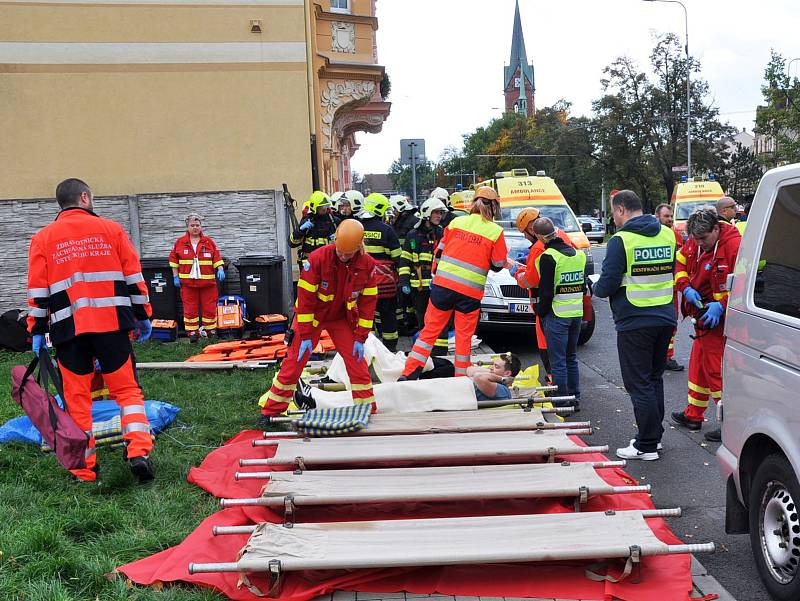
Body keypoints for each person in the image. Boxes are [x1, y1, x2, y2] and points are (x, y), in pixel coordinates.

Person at [26, 178, 155, 483]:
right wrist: (143, 314)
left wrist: (36, 331)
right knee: (126, 391)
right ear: (84, 197)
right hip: (113, 325)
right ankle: (138, 451)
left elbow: (37, 292)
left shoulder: (43, 239)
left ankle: (84, 468)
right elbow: (134, 276)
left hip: (68, 330)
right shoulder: (112, 230)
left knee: (77, 398)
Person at [258, 219, 378, 420]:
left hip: (341, 318)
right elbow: (305, 302)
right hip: (312, 318)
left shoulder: (367, 266)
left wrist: (360, 338)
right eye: (340, 250)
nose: (342, 256)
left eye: (348, 254)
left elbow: (368, 306)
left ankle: (367, 411)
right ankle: (271, 411)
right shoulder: (317, 259)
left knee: (357, 364)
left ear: (359, 248)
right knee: (294, 363)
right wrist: (305, 335)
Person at [594, 190, 677, 461]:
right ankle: (655, 437)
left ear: (621, 210)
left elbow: (606, 286)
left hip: (635, 322)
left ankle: (646, 444)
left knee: (639, 384)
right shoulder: (667, 233)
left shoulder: (621, 240)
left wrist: (594, 284)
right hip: (664, 316)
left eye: (612, 212)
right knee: (654, 379)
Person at [401, 186, 508, 380]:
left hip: (442, 288)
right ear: (494, 207)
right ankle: (460, 382)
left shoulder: (456, 222)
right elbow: (498, 264)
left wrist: (436, 275)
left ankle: (408, 374)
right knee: (463, 339)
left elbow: (439, 252)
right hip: (469, 294)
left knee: (428, 334)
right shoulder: (495, 231)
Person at [670, 208, 741, 442]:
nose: (700, 243)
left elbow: (744, 283)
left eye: (704, 238)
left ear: (716, 229)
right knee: (698, 367)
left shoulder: (733, 246)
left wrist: (721, 304)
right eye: (696, 239)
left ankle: (729, 422)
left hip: (720, 318)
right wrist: (685, 287)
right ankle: (694, 414)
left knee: (714, 369)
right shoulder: (695, 242)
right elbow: (679, 266)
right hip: (702, 313)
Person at [293, 352, 524, 410]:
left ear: (508, 374)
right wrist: (486, 374)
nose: (491, 367)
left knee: (384, 395)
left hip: (444, 395)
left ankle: (317, 401)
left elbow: (479, 376)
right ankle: (319, 396)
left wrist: (492, 377)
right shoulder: (498, 382)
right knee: (382, 390)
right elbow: (472, 370)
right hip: (443, 390)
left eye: (497, 367)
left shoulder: (504, 393)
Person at [512, 207, 576, 383]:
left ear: (531, 230)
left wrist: (517, 273)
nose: (525, 237)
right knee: (569, 355)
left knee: (548, 349)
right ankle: (570, 389)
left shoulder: (538, 248)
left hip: (546, 305)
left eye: (524, 232)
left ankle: (556, 386)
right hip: (570, 303)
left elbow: (531, 280)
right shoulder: (564, 236)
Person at [530, 217, 586, 404]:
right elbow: (583, 286)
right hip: (576, 314)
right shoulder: (579, 255)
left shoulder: (548, 257)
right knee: (571, 358)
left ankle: (561, 400)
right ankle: (575, 397)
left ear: (538, 236)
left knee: (558, 361)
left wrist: (541, 313)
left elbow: (546, 291)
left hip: (557, 315)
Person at [399, 197, 450, 355]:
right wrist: (404, 282)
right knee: (423, 321)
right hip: (418, 287)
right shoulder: (412, 235)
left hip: (438, 286)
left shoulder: (442, 234)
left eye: (440, 213)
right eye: (436, 213)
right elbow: (405, 260)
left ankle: (440, 352)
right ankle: (424, 353)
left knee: (440, 320)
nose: (439, 216)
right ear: (427, 213)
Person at [169, 213, 225, 342]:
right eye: (192, 225)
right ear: (187, 227)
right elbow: (173, 261)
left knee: (210, 308)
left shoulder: (209, 242)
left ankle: (211, 331)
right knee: (190, 310)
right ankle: (192, 334)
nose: (195, 227)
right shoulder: (180, 242)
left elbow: (216, 257)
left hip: (208, 284)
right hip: (188, 284)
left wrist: (220, 269)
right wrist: (175, 276)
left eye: (197, 225)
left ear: (201, 226)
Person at [359, 193, 402, 351]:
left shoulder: (357, 227)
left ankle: (368, 347)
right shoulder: (387, 230)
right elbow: (398, 257)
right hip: (386, 286)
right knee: (388, 316)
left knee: (365, 316)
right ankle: (390, 349)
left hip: (362, 285)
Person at [654, 203, 685, 372]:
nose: (670, 219)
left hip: (672, 288)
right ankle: (660, 356)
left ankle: (666, 356)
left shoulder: (675, 235)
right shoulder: (652, 236)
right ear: (657, 216)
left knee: (671, 324)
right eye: (666, 216)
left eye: (671, 216)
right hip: (655, 289)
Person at [290, 191, 337, 264]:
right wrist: (300, 230)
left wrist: (338, 237)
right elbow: (292, 243)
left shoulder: (332, 220)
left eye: (326, 206)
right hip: (310, 262)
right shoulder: (307, 221)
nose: (325, 208)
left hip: (327, 262)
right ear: (315, 207)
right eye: (322, 206)